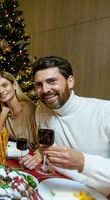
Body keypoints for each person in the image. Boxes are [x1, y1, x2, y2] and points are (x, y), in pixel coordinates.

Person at [33, 56, 110, 196]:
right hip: (56, 188)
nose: (45, 90)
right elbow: (45, 149)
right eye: (39, 85)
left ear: (70, 81)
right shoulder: (42, 109)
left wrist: (82, 162)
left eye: (52, 81)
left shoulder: (105, 111)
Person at [0, 71, 42, 169]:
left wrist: (37, 156)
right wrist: (4, 112)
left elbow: (42, 142)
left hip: (32, 160)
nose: (1, 91)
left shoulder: (30, 109)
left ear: (14, 86)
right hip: (16, 159)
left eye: (5, 85)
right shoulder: (3, 112)